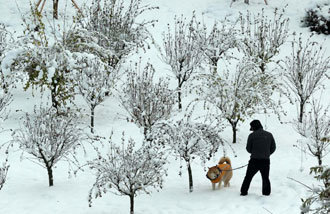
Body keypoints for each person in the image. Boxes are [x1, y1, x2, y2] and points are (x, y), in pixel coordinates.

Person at [240, 120, 276, 196]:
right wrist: (266, 154)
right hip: (265, 161)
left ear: (253, 127)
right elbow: (273, 148)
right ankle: (266, 193)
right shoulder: (269, 135)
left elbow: (248, 149)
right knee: (265, 178)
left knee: (248, 177)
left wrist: (255, 153)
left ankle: (244, 192)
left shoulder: (252, 136)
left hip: (254, 161)